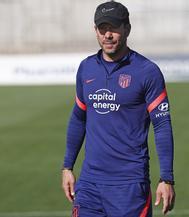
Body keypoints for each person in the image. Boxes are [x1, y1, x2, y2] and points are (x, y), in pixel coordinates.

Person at [61, 1, 175, 216]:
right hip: (89, 185)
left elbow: (162, 125)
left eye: (113, 28)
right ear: (95, 31)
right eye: (102, 28)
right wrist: (67, 167)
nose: (108, 35)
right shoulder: (86, 68)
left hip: (129, 186)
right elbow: (78, 117)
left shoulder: (147, 71)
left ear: (127, 28)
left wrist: (166, 178)